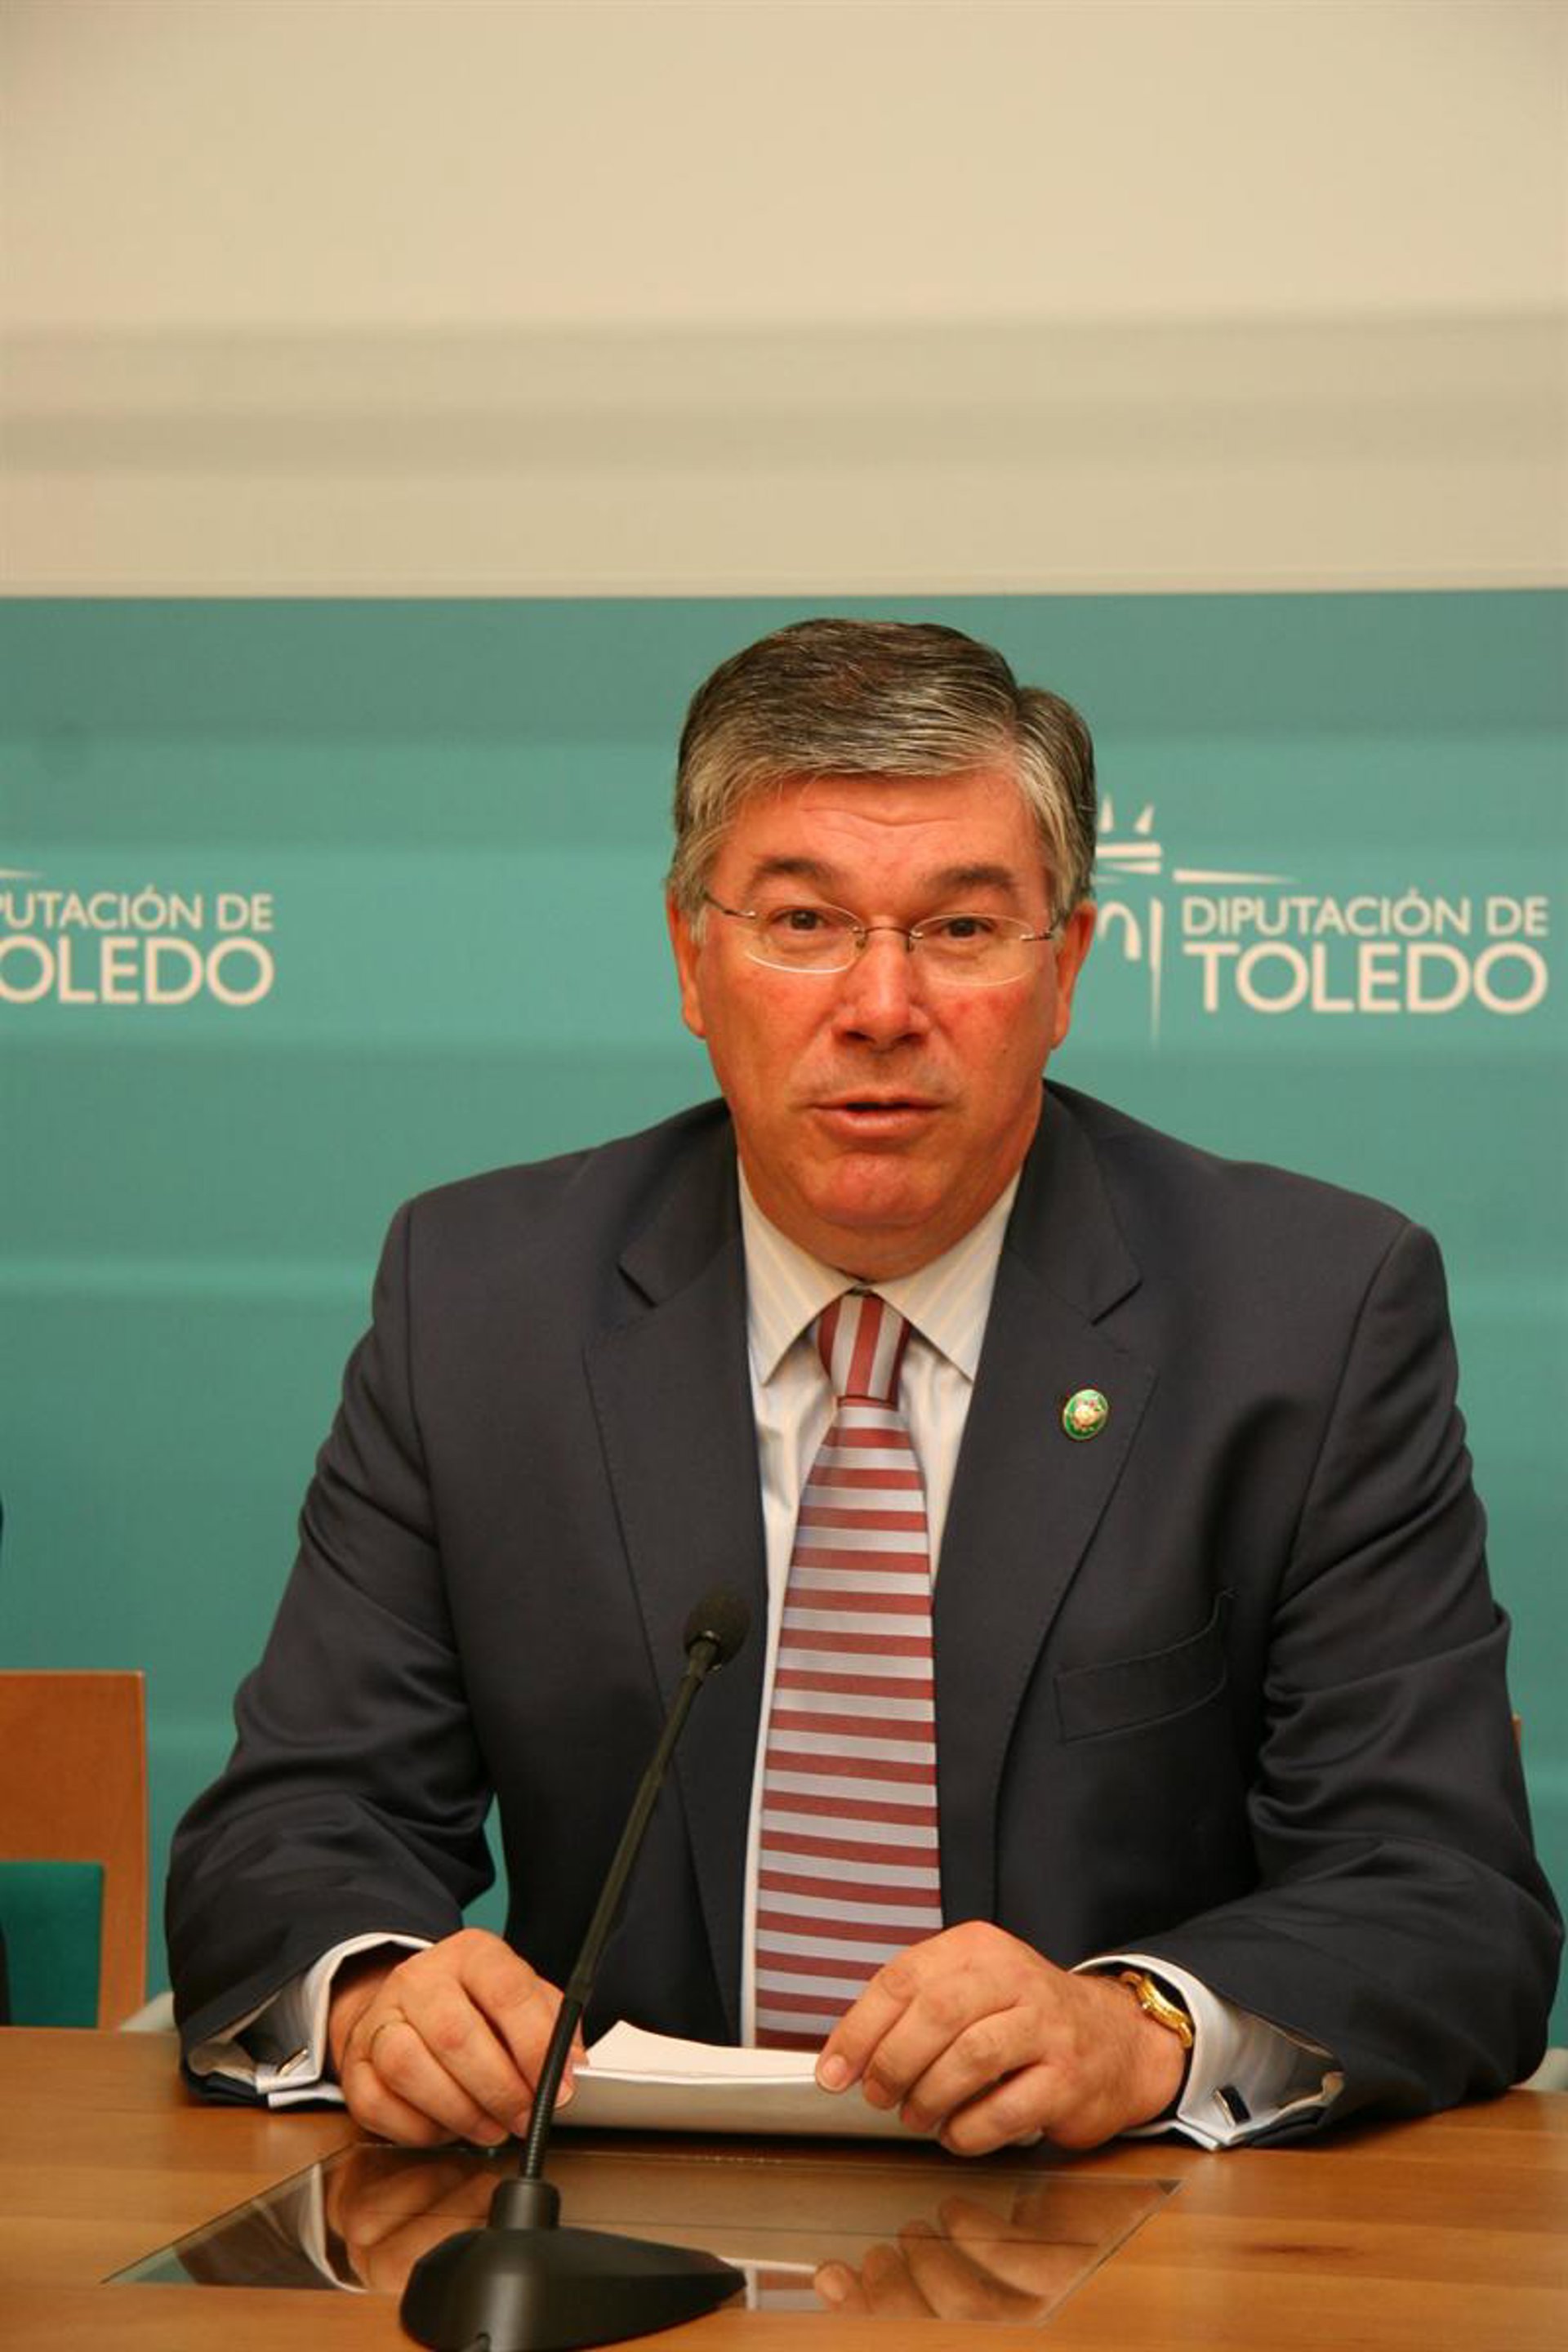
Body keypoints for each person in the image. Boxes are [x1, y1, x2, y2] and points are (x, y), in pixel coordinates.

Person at [167, 618, 1560, 2159]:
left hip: (1113, 2228)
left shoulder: (1307, 1318)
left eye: (961, 928)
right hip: (607, 2219)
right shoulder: (485, 1302)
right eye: (804, 922)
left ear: (1065, 967)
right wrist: (378, 1992)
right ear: (693, 958)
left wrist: (1142, 2029)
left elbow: (1443, 1895)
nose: (882, 1004)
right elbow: (292, 1831)